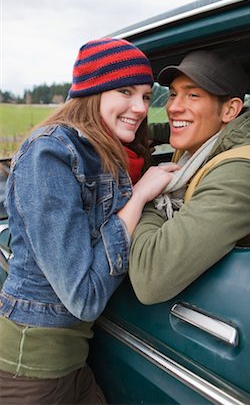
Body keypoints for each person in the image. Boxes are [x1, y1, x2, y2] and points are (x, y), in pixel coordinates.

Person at [0, 37, 179, 404]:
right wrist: (141, 195)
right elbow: (83, 296)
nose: (140, 107)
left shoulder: (104, 149)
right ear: (93, 91)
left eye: (146, 96)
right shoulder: (49, 154)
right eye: (125, 91)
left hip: (72, 361)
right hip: (31, 368)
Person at [129, 49, 250, 304]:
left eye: (193, 95)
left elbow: (150, 281)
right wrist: (127, 130)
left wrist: (150, 197)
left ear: (230, 110)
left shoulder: (242, 174)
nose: (174, 107)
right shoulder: (208, 138)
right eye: (173, 94)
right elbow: (170, 129)